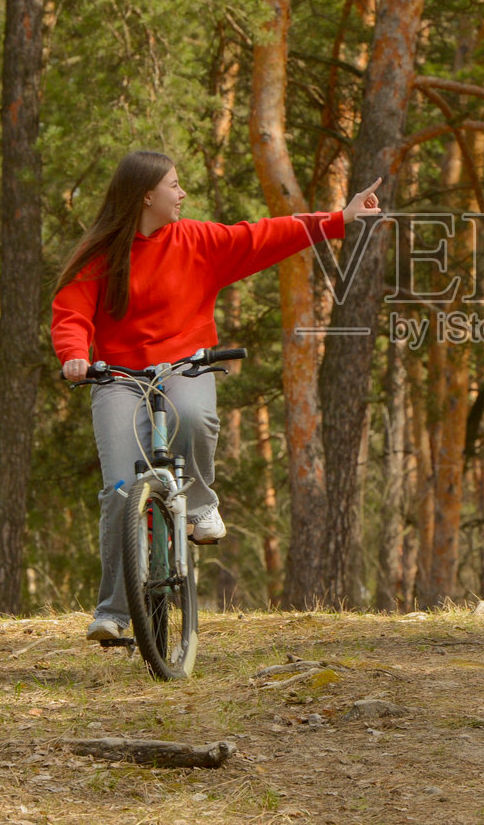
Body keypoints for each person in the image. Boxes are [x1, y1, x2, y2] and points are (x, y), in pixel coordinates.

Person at [52, 149, 382, 641]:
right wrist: (75, 355)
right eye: (174, 185)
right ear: (147, 196)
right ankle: (115, 613)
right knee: (121, 494)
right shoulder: (101, 254)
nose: (182, 193)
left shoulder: (197, 240)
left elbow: (265, 235)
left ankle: (201, 501)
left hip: (185, 364)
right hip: (118, 376)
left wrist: (339, 219)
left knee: (191, 413)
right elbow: (71, 312)